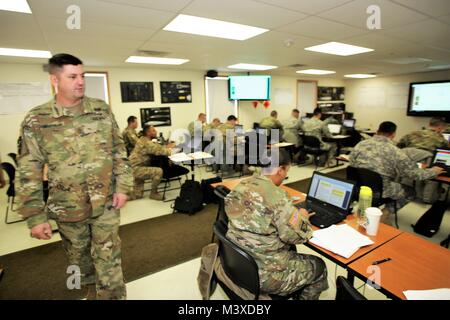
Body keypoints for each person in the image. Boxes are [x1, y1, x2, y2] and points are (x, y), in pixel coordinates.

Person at [16, 53, 133, 299]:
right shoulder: (37, 119)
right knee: (78, 257)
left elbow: (118, 150)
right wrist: (35, 217)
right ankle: (92, 289)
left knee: (108, 256)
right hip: (67, 206)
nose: (80, 81)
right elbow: (29, 170)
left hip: (106, 201)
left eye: (82, 75)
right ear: (55, 80)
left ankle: (112, 295)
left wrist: (123, 186)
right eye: (72, 76)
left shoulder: (100, 110)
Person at [224, 150, 328, 299]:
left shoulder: (242, 184)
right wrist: (302, 217)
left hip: (239, 262)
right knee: (319, 266)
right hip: (265, 275)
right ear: (280, 170)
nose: (285, 177)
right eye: (286, 172)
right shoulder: (278, 197)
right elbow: (297, 237)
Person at [349, 121, 444, 222]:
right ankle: (385, 213)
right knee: (411, 192)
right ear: (393, 134)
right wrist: (434, 171)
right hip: (382, 189)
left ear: (377, 131)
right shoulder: (396, 151)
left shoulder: (360, 144)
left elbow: (351, 162)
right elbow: (414, 174)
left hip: (358, 187)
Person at [129, 125, 185, 201]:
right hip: (136, 169)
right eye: (153, 130)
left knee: (137, 195)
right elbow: (166, 152)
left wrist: (166, 146)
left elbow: (157, 147)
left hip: (135, 166)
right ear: (148, 133)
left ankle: (121, 196)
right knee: (158, 171)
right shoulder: (148, 143)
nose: (156, 132)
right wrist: (172, 146)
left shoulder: (143, 139)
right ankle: (153, 193)